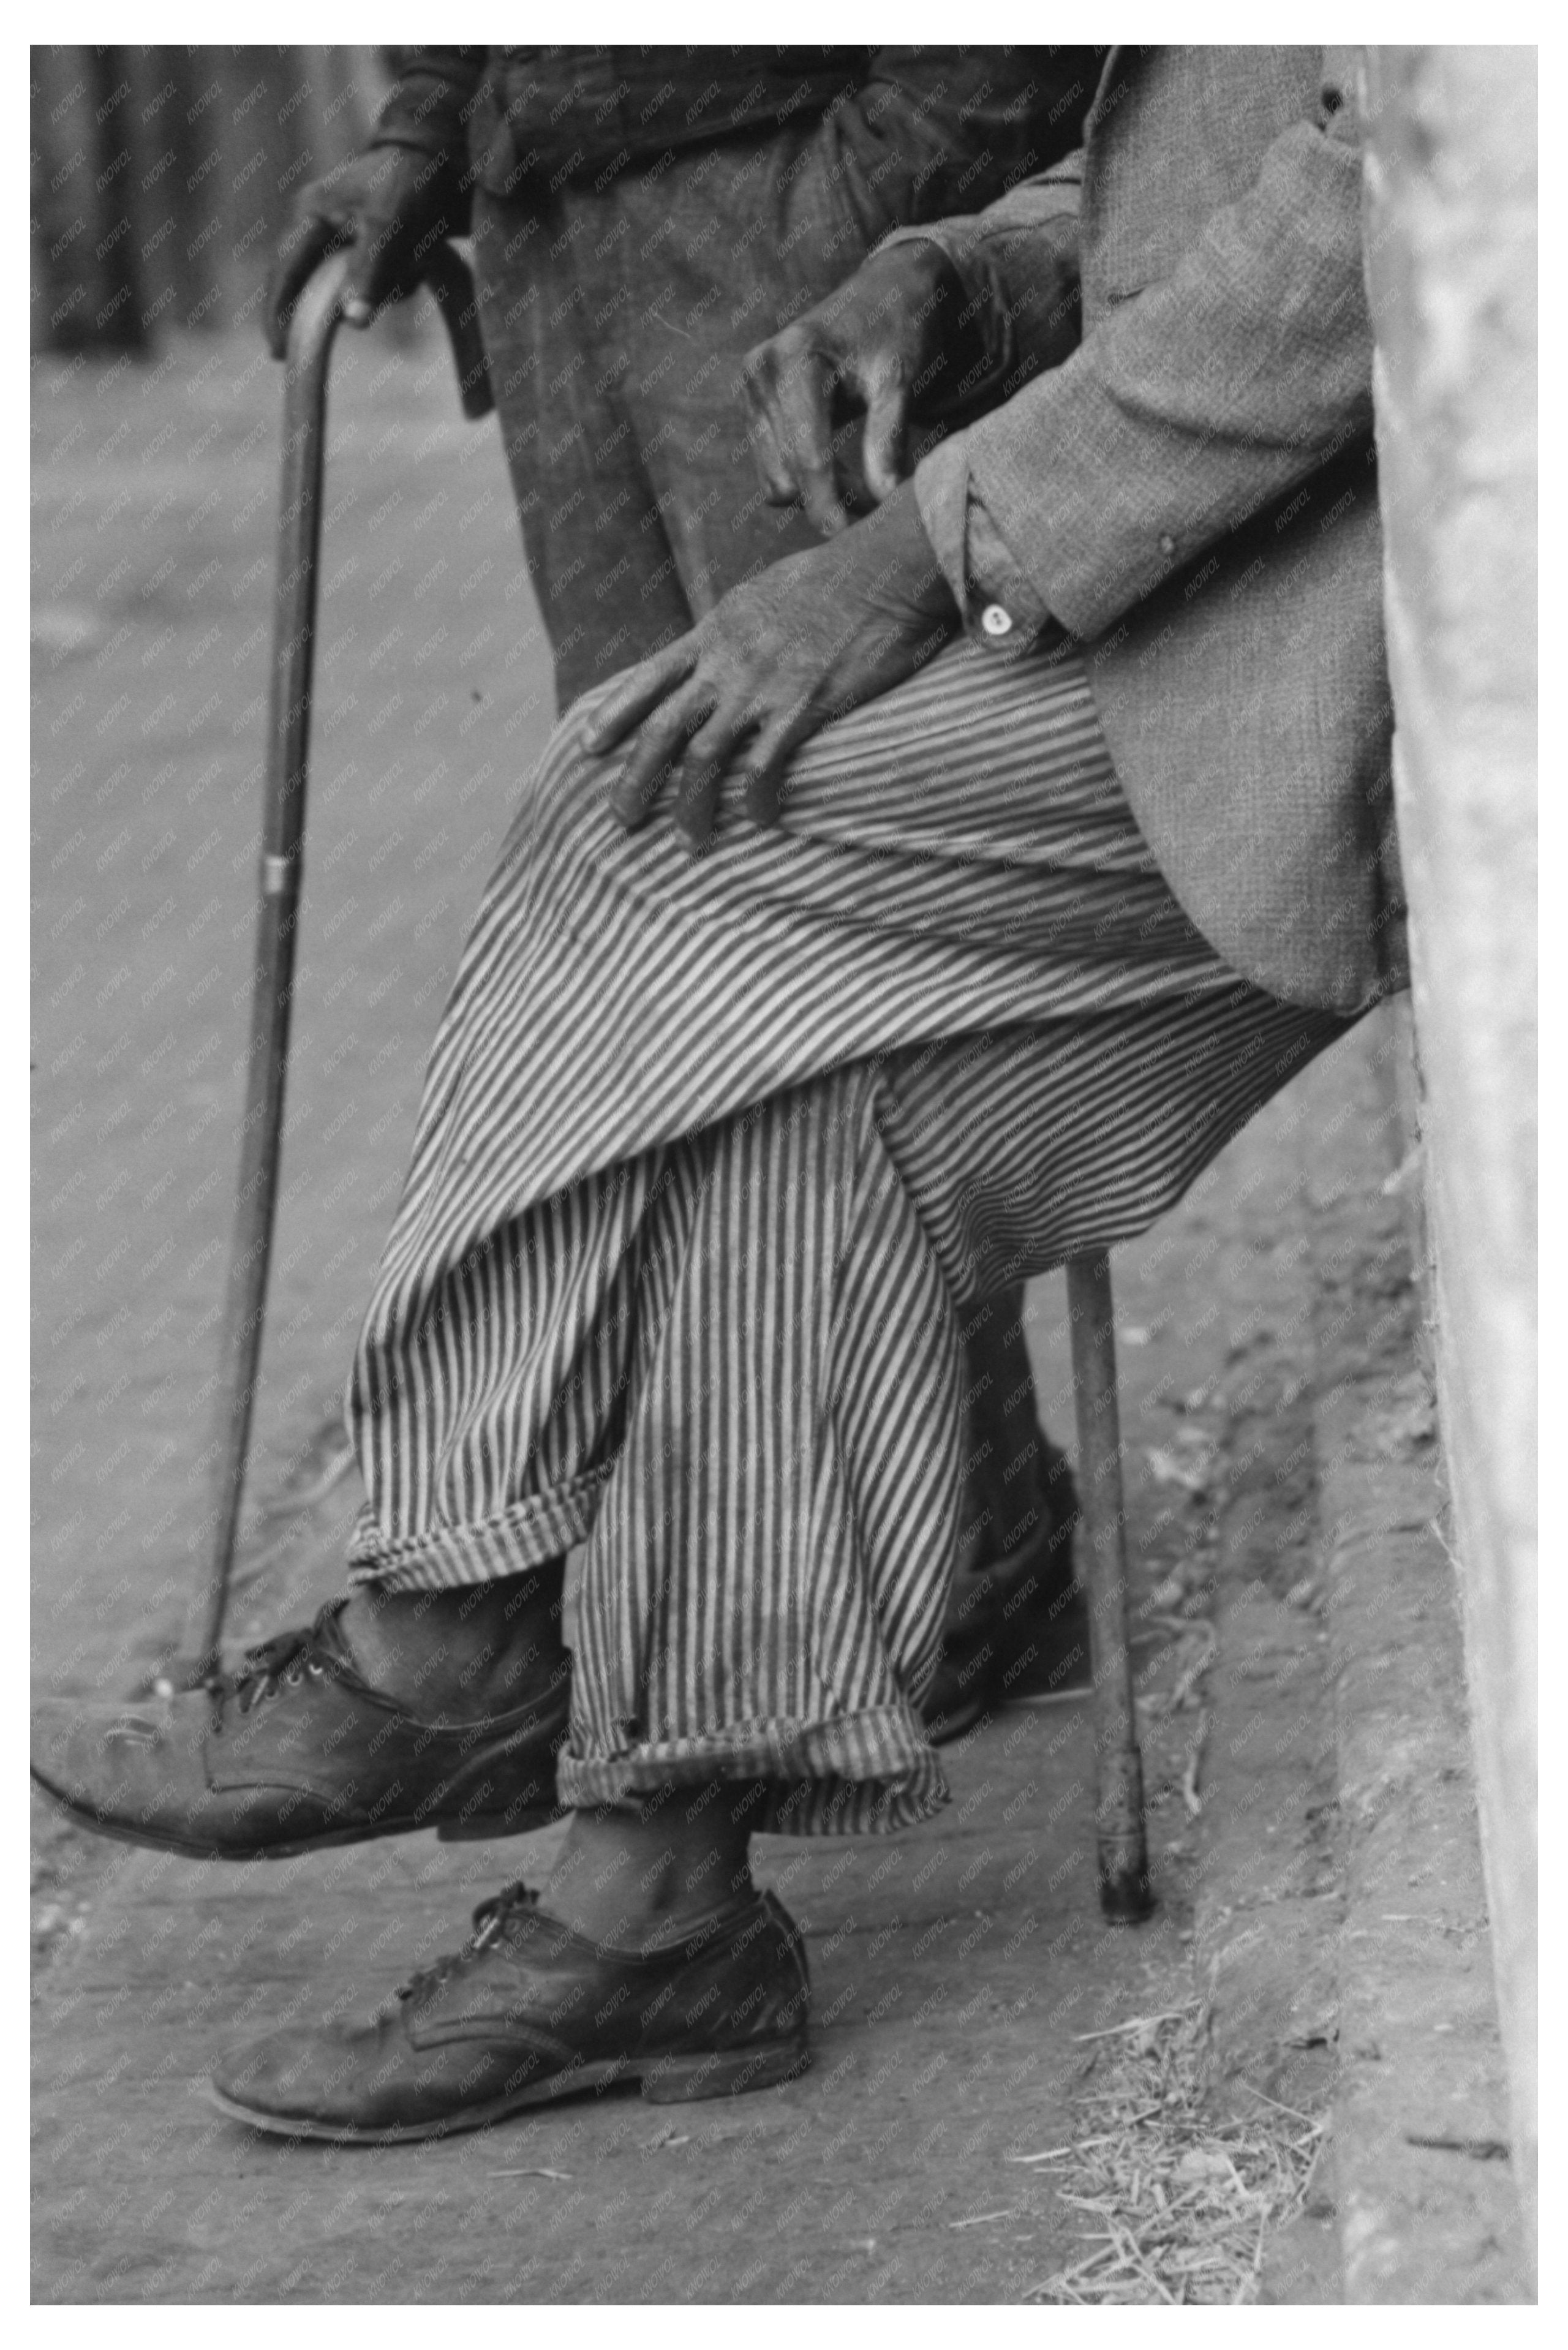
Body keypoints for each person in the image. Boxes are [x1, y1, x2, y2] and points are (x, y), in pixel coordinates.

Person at [35, 46, 1404, 2143]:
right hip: (1213, 543)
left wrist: (919, 530)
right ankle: (659, 1911)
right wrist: (955, 273)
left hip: (1356, 634)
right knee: (799, 1098)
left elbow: (1395, 200)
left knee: (642, 819)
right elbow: (1240, 151)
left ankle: (457, 1630)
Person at [265, 43, 1108, 1736]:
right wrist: (431, 120)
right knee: (666, 886)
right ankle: (964, 1542)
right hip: (552, 225)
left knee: (828, 899)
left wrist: (884, 183)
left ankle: (953, 1565)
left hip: (781, 182)